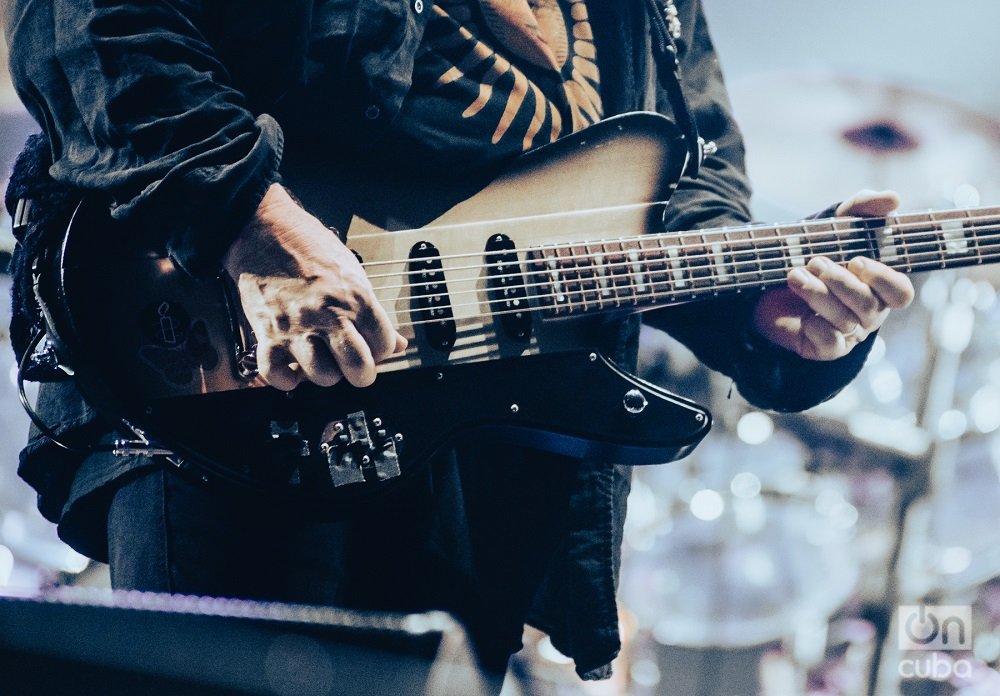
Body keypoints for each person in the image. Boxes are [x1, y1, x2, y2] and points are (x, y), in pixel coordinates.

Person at [3, 0, 913, 686]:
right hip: (232, 393)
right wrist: (249, 219)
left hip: (492, 459)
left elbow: (684, 179)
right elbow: (91, 23)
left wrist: (768, 317)